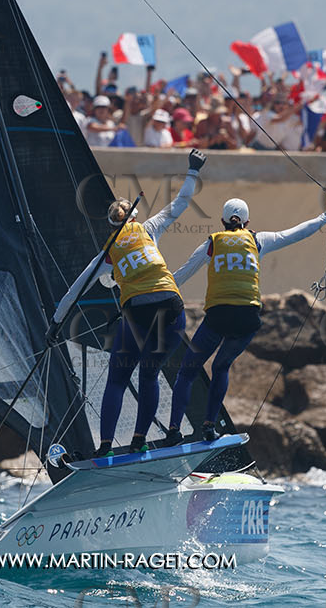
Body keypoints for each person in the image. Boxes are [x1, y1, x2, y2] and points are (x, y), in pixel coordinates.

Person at [54, 149, 207, 456]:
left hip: (138, 314)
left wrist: (55, 324)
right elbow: (180, 204)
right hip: (171, 309)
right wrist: (193, 169)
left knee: (118, 378)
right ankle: (139, 441)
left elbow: (74, 292)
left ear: (112, 225)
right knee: (150, 373)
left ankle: (106, 447)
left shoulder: (108, 251)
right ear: (134, 217)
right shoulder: (150, 229)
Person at [166, 193, 326, 441]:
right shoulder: (259, 240)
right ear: (247, 223)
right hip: (248, 318)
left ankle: (174, 431)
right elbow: (296, 233)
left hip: (218, 316)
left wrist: (154, 291)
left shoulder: (211, 243)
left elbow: (182, 275)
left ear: (222, 221)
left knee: (187, 372)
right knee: (221, 366)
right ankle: (209, 427)